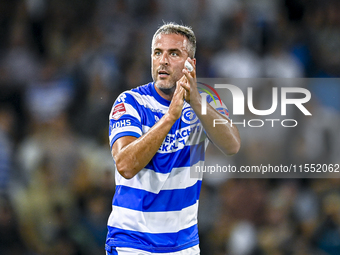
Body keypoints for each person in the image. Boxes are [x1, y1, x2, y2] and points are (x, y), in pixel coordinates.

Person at [106, 22, 241, 255]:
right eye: (158, 53)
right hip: (133, 242)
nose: (163, 61)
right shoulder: (130, 102)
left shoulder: (206, 100)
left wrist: (196, 102)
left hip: (184, 245)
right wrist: (170, 117)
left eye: (174, 53)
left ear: (191, 64)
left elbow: (232, 145)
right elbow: (125, 165)